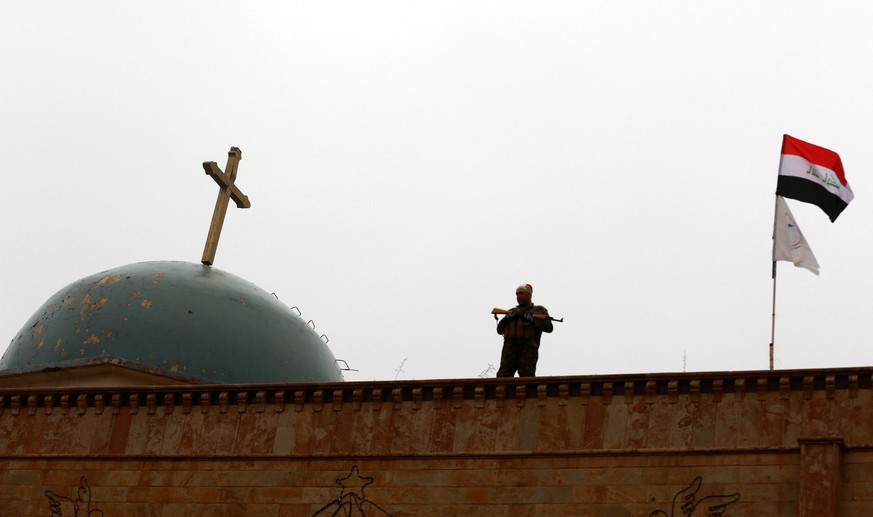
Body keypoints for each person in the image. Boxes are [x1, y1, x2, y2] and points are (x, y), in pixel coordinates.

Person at [496, 283, 553, 377]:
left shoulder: (538, 310)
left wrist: (533, 320)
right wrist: (507, 319)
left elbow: (549, 328)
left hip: (528, 349)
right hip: (509, 349)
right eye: (517, 294)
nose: (518, 296)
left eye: (521, 293)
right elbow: (500, 330)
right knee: (503, 376)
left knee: (527, 377)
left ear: (529, 295)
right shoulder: (512, 311)